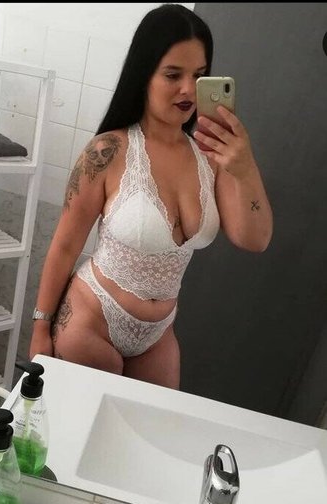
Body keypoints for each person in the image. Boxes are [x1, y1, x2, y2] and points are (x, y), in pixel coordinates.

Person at [29, 3, 273, 389]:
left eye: (199, 76)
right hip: (91, 319)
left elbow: (254, 239)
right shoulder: (107, 151)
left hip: (157, 335)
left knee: (149, 424)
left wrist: (245, 166)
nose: (188, 89)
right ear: (144, 75)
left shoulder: (213, 158)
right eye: (173, 75)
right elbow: (65, 245)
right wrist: (40, 329)